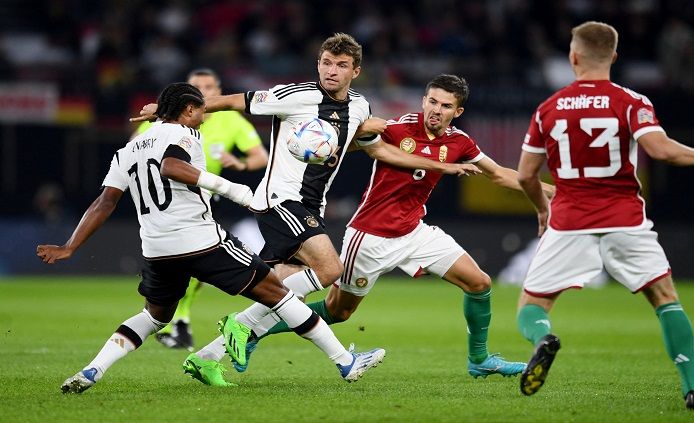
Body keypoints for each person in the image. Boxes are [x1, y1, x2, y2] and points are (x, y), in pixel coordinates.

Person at [133, 33, 480, 385]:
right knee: (331, 269)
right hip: (280, 201)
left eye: (341, 65)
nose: (332, 71)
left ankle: (207, 356)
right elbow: (232, 101)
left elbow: (376, 149)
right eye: (326, 63)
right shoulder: (294, 95)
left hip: (311, 206)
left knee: (277, 291)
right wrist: (167, 112)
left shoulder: (359, 106)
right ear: (318, 64)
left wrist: (439, 165)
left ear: (355, 71)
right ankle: (264, 332)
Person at [38, 82, 385, 393]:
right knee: (279, 295)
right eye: (202, 110)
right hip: (200, 240)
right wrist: (235, 190)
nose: (205, 116)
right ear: (188, 110)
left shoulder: (127, 151)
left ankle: (93, 369)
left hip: (157, 249)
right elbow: (171, 167)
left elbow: (104, 202)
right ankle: (345, 362)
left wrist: (70, 246)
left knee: (154, 317)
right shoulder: (185, 135)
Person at [232, 74, 556, 379]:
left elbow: (498, 173)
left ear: (457, 111)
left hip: (415, 232)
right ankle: (254, 330)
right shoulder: (398, 128)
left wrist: (554, 191)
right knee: (339, 311)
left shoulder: (460, 143)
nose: (435, 110)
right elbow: (354, 140)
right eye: (431, 101)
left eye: (445, 106)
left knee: (479, 283)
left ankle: (480, 360)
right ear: (424, 100)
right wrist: (352, 131)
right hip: (369, 236)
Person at [514, 21, 694, 409]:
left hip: (569, 221)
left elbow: (525, 175)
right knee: (665, 298)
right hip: (625, 219)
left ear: (573, 57)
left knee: (533, 305)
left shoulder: (548, 109)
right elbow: (663, 150)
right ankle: (692, 389)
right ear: (614, 57)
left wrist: (542, 209)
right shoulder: (631, 101)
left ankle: (543, 340)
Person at [134, 68, 269, 351]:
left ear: (218, 91)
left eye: (210, 86)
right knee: (179, 263)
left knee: (194, 266)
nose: (205, 90)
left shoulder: (230, 120)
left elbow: (261, 157)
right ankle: (173, 320)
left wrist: (241, 164)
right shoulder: (164, 119)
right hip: (165, 201)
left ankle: (177, 320)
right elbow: (134, 149)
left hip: (205, 200)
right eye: (198, 86)